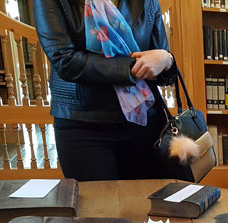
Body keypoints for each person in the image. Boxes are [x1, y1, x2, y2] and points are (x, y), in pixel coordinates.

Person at [34, 0, 177, 181]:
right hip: (82, 126)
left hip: (144, 124)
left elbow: (161, 62)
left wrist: (167, 59)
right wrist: (134, 68)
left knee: (145, 205)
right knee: (96, 206)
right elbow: (65, 60)